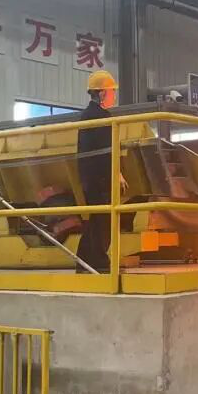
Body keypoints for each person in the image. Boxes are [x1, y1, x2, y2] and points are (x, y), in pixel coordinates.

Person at [76, 70, 119, 272]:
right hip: (100, 178)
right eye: (111, 92)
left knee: (96, 219)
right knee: (102, 220)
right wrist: (116, 173)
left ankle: (84, 261)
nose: (113, 96)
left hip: (89, 177)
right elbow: (106, 151)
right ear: (102, 93)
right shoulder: (102, 117)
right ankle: (99, 262)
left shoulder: (86, 115)